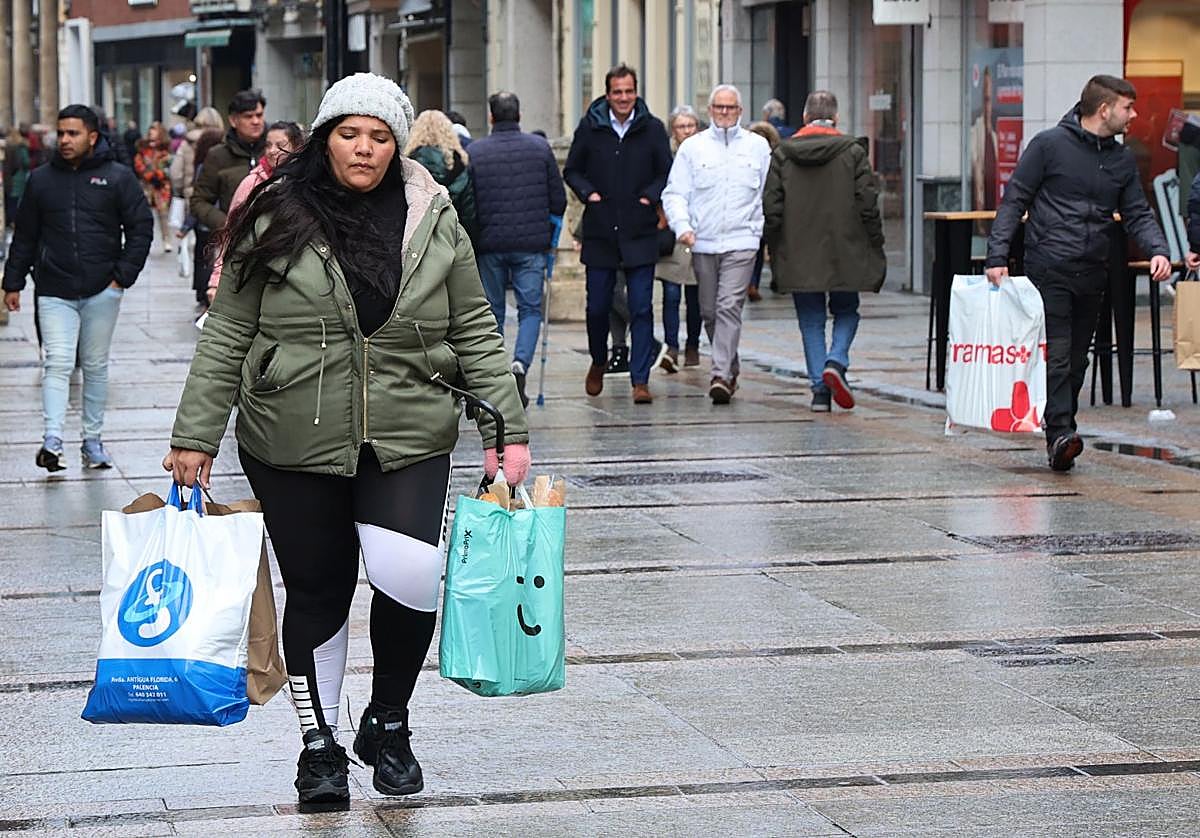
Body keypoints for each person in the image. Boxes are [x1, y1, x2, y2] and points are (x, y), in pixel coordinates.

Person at [163, 73, 530, 808]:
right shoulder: (273, 213)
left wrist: (506, 428)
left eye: (380, 136)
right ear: (326, 137)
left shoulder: (432, 212)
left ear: (397, 146)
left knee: (410, 579)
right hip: (291, 430)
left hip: (409, 425)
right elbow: (229, 330)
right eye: (349, 132)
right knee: (321, 589)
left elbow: (475, 327)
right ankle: (319, 746)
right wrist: (194, 435)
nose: (364, 148)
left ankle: (387, 724)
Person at [986, 75, 1171, 472]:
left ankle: (1061, 432)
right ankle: (1060, 435)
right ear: (1104, 110)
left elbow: (1137, 212)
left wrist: (1157, 249)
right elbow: (1014, 198)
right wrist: (996, 255)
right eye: (1128, 107)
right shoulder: (1049, 146)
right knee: (1058, 355)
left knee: (1077, 361)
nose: (1134, 115)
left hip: (1093, 271)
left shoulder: (1120, 159)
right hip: (1049, 267)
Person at [2, 105, 153, 471]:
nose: (65, 140)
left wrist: (122, 277)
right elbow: (25, 235)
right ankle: (52, 440)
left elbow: (140, 227)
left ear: (92, 137)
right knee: (57, 362)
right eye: (61, 133)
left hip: (103, 289)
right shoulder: (41, 180)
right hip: (54, 288)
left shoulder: (117, 178)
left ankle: (92, 441)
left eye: (73, 133)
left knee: (96, 366)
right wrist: (13, 281)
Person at [763, 90, 885, 413]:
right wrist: (875, 240)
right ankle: (837, 360)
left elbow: (771, 206)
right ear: (836, 118)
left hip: (799, 249)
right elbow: (868, 202)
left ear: (804, 118)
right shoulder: (853, 152)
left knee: (810, 319)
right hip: (846, 247)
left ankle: (819, 390)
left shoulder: (783, 153)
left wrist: (773, 245)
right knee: (846, 310)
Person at [564, 63, 672, 404]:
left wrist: (649, 197)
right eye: (617, 92)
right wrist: (590, 195)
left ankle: (640, 379)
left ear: (636, 92)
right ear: (608, 94)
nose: (623, 98)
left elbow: (665, 172)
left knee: (641, 307)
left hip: (640, 231)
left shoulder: (652, 128)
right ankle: (598, 359)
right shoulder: (591, 127)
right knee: (597, 306)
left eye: (629, 91)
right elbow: (572, 170)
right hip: (600, 230)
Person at [662, 84, 771, 405]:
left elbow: (768, 192)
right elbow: (675, 193)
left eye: (731, 108)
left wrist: (760, 230)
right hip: (703, 242)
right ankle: (731, 365)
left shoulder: (757, 147)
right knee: (709, 311)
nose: (725, 113)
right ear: (710, 111)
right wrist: (682, 226)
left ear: (740, 111)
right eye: (719, 108)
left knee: (728, 306)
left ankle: (720, 373)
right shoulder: (693, 148)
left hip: (742, 240)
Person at [468, 91, 567, 407]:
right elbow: (559, 200)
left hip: (490, 243)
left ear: (491, 117)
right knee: (530, 310)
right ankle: (520, 362)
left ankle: (495, 372)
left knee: (491, 310)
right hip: (531, 244)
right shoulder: (540, 148)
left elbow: (469, 201)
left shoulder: (477, 152)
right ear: (520, 116)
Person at [206, 121, 305, 304]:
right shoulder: (252, 184)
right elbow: (230, 234)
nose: (272, 151)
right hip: (256, 277)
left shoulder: (308, 185)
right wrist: (216, 281)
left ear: (297, 147)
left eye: (280, 145)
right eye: (268, 145)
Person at [191, 90, 266, 306]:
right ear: (233, 120)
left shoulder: (274, 149)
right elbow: (199, 201)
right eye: (248, 116)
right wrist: (225, 224)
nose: (256, 121)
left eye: (259, 115)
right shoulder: (218, 155)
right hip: (233, 247)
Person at [655, 105, 702, 368]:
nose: (686, 131)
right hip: (671, 234)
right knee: (671, 293)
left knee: (695, 295)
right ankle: (671, 347)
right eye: (681, 126)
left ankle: (692, 345)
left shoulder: (705, 152)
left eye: (690, 126)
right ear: (673, 130)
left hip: (697, 232)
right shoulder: (666, 157)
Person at [404, 109, 479, 243]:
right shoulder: (459, 163)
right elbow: (468, 212)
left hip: (414, 240)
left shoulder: (407, 163)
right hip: (450, 237)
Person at [746, 120, 782, 304]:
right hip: (772, 208)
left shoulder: (745, 156)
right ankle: (777, 279)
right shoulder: (778, 156)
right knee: (774, 247)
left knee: (758, 250)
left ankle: (753, 283)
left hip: (757, 209)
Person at [133, 121, 174, 254]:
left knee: (163, 214)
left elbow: (168, 165)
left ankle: (166, 239)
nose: (151, 132)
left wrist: (159, 175)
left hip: (161, 186)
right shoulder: (143, 148)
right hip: (147, 185)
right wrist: (149, 175)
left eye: (154, 129)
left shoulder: (165, 149)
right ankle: (144, 240)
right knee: (143, 213)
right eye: (150, 129)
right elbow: (138, 163)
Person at [4, 127, 30, 227]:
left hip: (10, 177)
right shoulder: (21, 147)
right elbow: (25, 162)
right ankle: (14, 221)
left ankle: (10, 220)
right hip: (18, 176)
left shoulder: (7, 147)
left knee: (10, 201)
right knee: (16, 201)